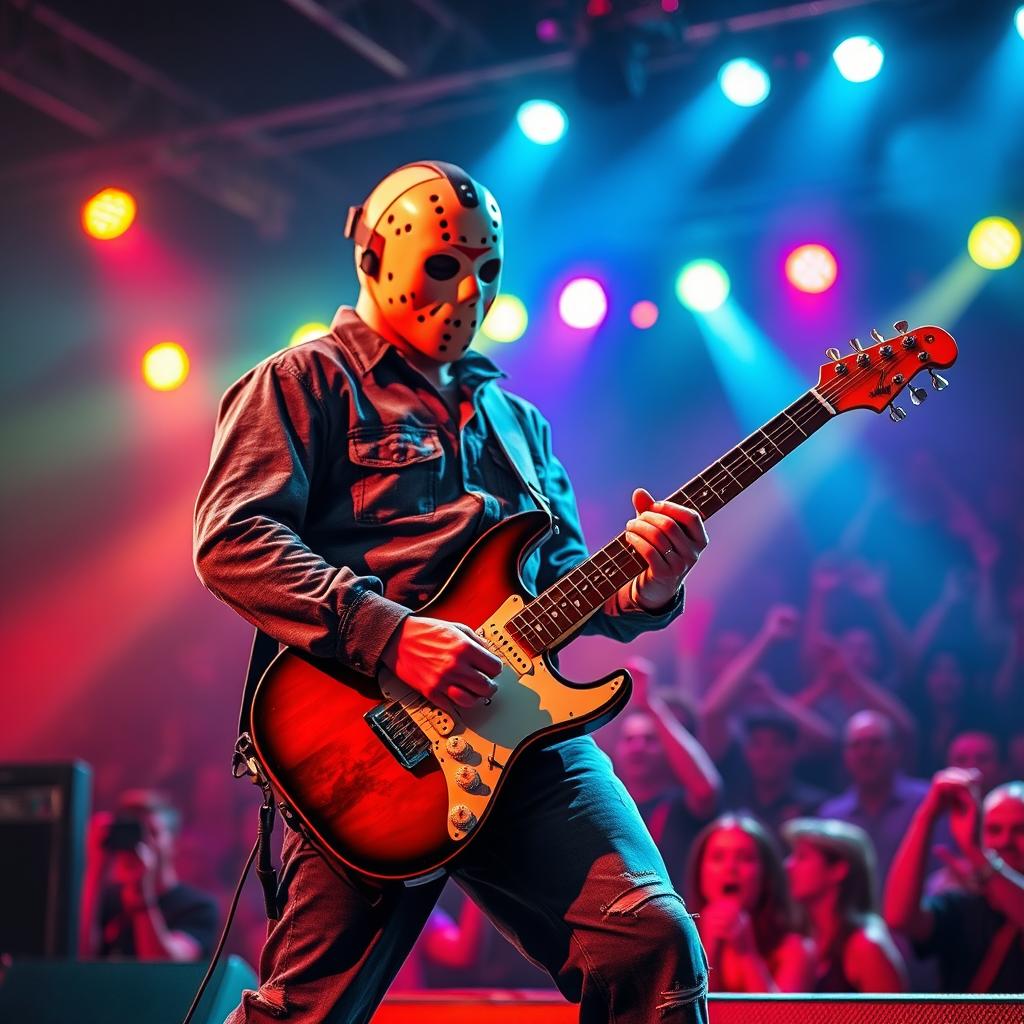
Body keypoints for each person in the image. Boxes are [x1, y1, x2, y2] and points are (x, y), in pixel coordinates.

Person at [193, 161, 710, 1023]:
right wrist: (393, 637)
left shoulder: (519, 420)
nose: (467, 288)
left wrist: (645, 588)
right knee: (305, 1015)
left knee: (652, 944)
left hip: (523, 730)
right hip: (369, 739)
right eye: (443, 263)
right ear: (375, 258)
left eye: (486, 268)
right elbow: (231, 539)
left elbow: (556, 580)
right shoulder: (303, 380)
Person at [884, 772, 1024, 993]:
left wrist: (977, 853)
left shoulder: (980, 867)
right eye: (994, 830)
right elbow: (899, 918)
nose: (1005, 841)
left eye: (1020, 830)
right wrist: (928, 815)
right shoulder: (965, 902)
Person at [612, 657, 722, 892]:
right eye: (629, 739)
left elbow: (705, 790)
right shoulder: (608, 806)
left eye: (650, 740)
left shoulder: (680, 806)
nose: (637, 747)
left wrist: (650, 704)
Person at [79, 789, 219, 961]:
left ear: (174, 842)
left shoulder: (198, 907)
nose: (142, 841)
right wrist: (96, 865)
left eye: (152, 832)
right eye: (136, 832)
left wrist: (141, 895)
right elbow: (80, 956)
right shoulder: (108, 899)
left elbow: (166, 967)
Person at [684, 814, 814, 992]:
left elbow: (778, 1019)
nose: (730, 868)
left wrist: (747, 954)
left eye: (745, 858)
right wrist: (707, 951)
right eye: (718, 857)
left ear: (766, 874)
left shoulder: (794, 949)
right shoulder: (678, 945)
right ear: (700, 873)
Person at [783, 818, 906, 992]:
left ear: (838, 870)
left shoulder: (866, 946)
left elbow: (895, 1017)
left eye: (802, 857)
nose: (788, 865)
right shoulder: (806, 939)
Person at [817, 710, 932, 882]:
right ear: (845, 756)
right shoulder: (831, 816)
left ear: (896, 750)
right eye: (856, 745)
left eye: (875, 743)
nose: (865, 754)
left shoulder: (926, 801)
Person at [726, 711, 831, 843]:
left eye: (777, 744)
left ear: (794, 750)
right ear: (746, 752)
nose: (766, 755)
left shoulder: (815, 807)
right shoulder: (733, 803)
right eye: (757, 744)